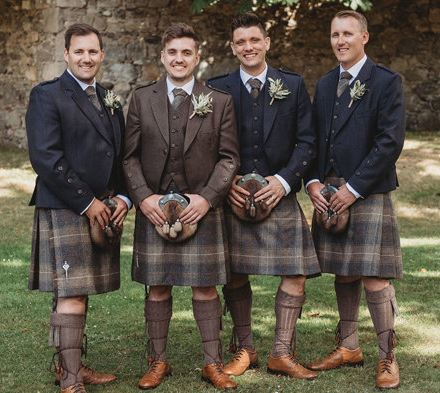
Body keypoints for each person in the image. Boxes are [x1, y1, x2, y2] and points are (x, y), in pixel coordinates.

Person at [122, 23, 240, 390]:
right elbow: (129, 158)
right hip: (155, 207)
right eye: (172, 52)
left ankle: (213, 363)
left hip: (200, 208)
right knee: (157, 288)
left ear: (197, 58)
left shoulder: (219, 101)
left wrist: (206, 198)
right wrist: (144, 199)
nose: (179, 59)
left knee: (205, 287)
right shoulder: (142, 98)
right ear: (162, 56)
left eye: (186, 52)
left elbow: (229, 159)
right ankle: (157, 362)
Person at [208, 13, 320, 380]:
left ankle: (281, 353)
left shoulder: (292, 84)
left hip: (279, 195)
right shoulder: (217, 88)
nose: (248, 47)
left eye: (254, 40)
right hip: (234, 195)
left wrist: (284, 181)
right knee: (235, 273)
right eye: (241, 42)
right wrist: (228, 184)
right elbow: (206, 146)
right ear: (233, 46)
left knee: (296, 273)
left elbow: (308, 141)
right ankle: (245, 349)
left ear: (267, 42)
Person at [26, 23, 130, 393]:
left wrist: (122, 197)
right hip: (66, 206)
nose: (86, 58)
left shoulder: (108, 98)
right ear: (66, 54)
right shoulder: (48, 95)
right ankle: (70, 379)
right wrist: (88, 203)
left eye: (93, 52)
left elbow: (118, 156)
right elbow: (45, 158)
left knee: (79, 290)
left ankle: (74, 366)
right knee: (70, 291)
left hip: (101, 206)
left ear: (102, 55)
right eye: (79, 51)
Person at [305, 10, 405, 390]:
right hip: (329, 191)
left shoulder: (386, 81)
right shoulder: (327, 84)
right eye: (334, 34)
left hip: (366, 190)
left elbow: (389, 143)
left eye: (348, 33)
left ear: (365, 37)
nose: (340, 40)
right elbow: (314, 140)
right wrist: (314, 182)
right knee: (343, 271)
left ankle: (387, 357)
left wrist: (353, 189)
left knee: (375, 275)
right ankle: (348, 346)